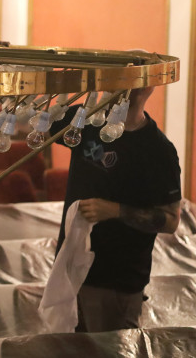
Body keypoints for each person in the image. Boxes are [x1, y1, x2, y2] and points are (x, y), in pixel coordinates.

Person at [50, 85, 182, 332]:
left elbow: (171, 220)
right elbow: (37, 125)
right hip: (71, 269)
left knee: (110, 355)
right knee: (69, 352)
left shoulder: (158, 150)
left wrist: (115, 210)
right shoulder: (86, 121)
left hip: (116, 280)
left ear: (147, 88)